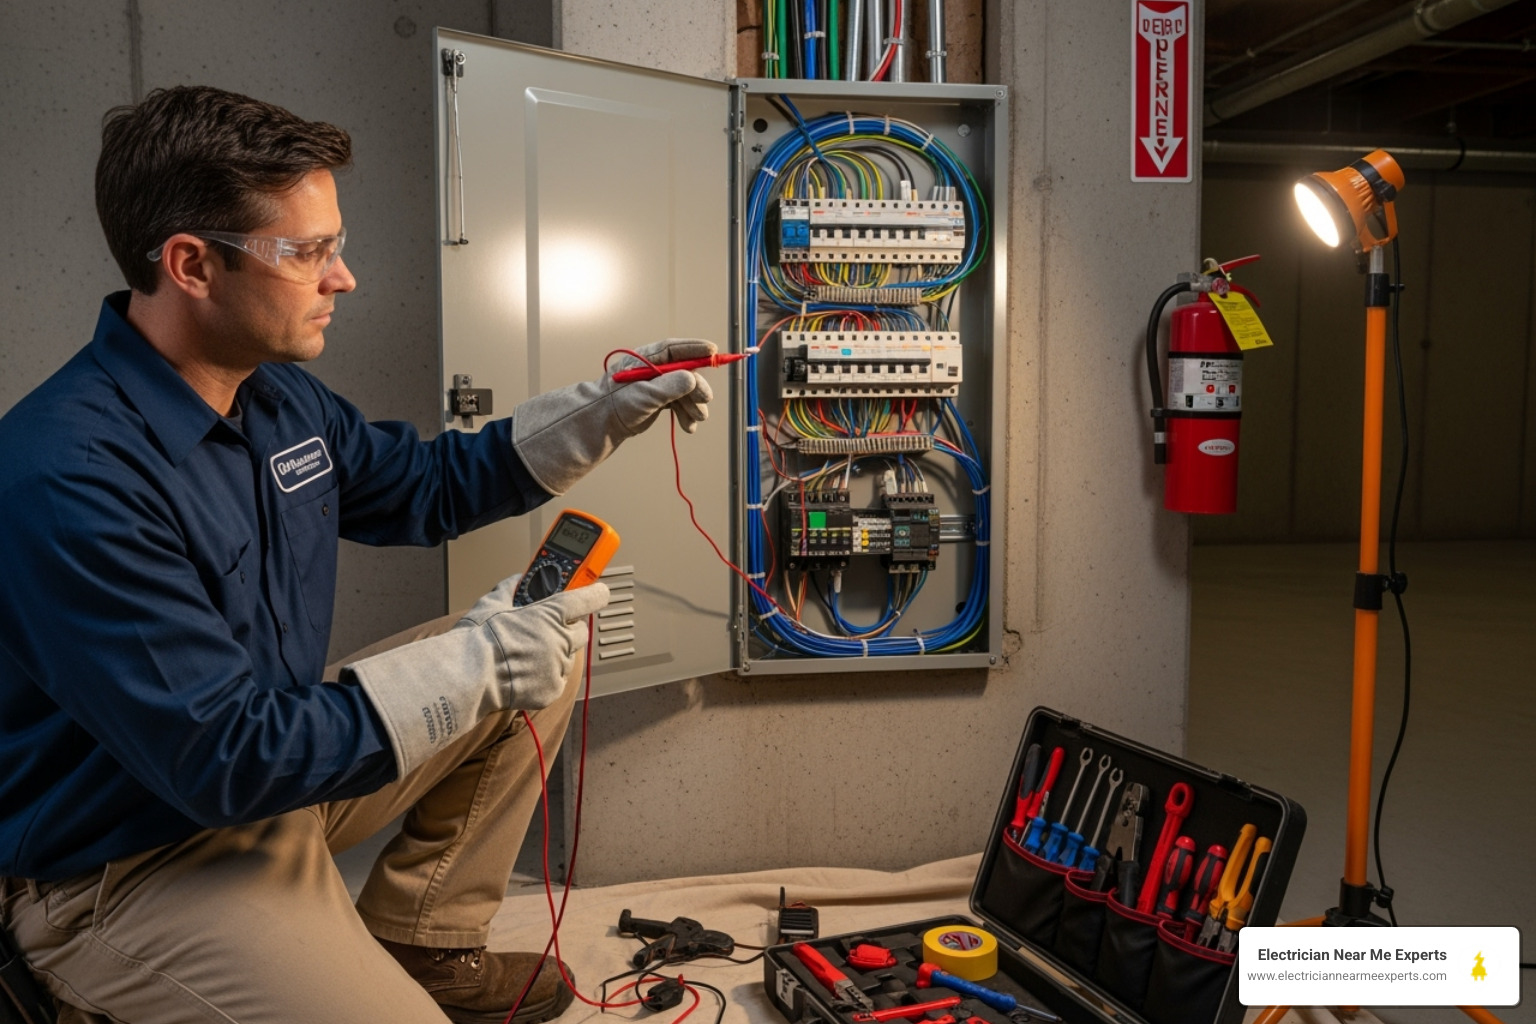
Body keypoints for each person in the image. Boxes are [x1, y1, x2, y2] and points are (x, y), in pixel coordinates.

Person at [0, 85, 715, 1024]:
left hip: (266, 774)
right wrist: (466, 670)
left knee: (539, 660)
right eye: (310, 252)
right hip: (131, 860)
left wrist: (596, 415)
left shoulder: (275, 399)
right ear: (191, 264)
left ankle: (426, 941)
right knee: (485, 666)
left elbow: (423, 486)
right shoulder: (68, 475)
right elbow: (223, 756)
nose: (346, 277)